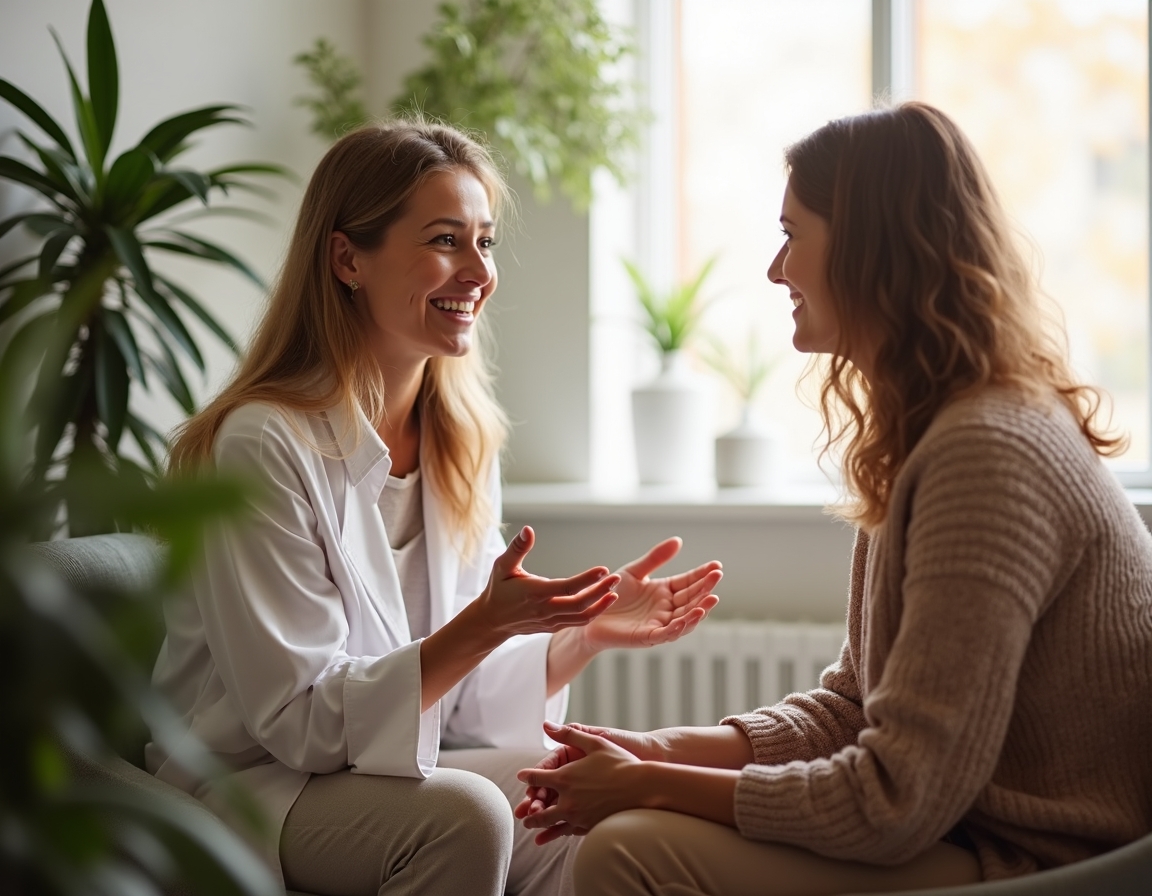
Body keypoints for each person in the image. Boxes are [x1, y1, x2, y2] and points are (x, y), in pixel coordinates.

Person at [515, 101, 1152, 896]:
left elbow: (895, 800)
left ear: (865, 246)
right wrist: (657, 750)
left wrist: (650, 785)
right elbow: (853, 709)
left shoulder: (986, 453)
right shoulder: (933, 432)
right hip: (972, 834)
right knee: (630, 832)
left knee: (628, 849)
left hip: (1049, 865)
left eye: (792, 235)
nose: (776, 269)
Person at [147, 119, 723, 896]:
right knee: (468, 816)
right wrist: (486, 622)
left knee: (585, 789)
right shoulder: (262, 444)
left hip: (369, 770)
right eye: (446, 240)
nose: (479, 272)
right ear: (347, 259)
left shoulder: (459, 440)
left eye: (484, 242)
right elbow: (299, 722)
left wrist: (577, 634)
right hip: (260, 784)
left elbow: (460, 702)